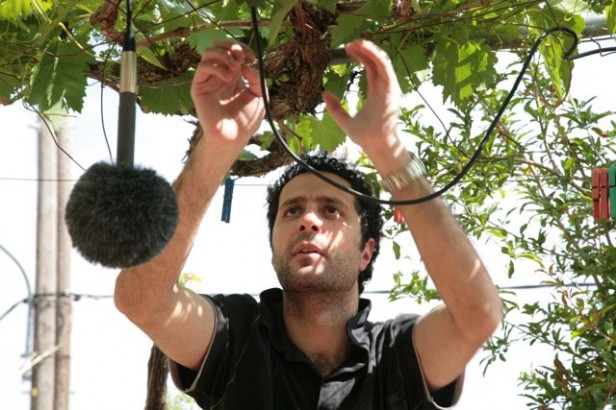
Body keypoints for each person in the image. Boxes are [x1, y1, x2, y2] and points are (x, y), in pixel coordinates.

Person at [114, 39, 503, 409]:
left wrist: (388, 149)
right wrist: (217, 148)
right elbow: (140, 299)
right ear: (272, 247)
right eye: (292, 211)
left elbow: (478, 315)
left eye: (332, 210)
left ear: (366, 252)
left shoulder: (398, 351)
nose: (309, 221)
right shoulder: (234, 333)